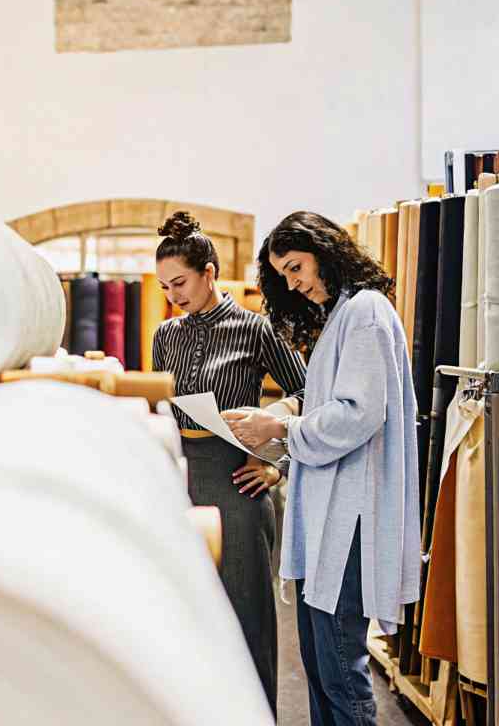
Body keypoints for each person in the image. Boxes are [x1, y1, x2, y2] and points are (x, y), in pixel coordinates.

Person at [224, 211, 420, 726]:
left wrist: (280, 430)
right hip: (331, 511)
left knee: (338, 667)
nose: (293, 282)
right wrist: (282, 419)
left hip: (348, 516)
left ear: (324, 251)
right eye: (284, 274)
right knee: (318, 662)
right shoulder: (342, 316)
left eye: (296, 267)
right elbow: (324, 401)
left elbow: (358, 412)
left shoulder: (367, 313)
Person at [151, 211, 306, 718]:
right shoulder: (164, 338)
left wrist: (278, 466)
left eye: (180, 282)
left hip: (239, 484)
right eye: (165, 286)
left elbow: (308, 396)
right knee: (184, 619)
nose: (173, 295)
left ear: (209, 272)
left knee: (248, 622)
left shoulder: (257, 330)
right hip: (178, 484)